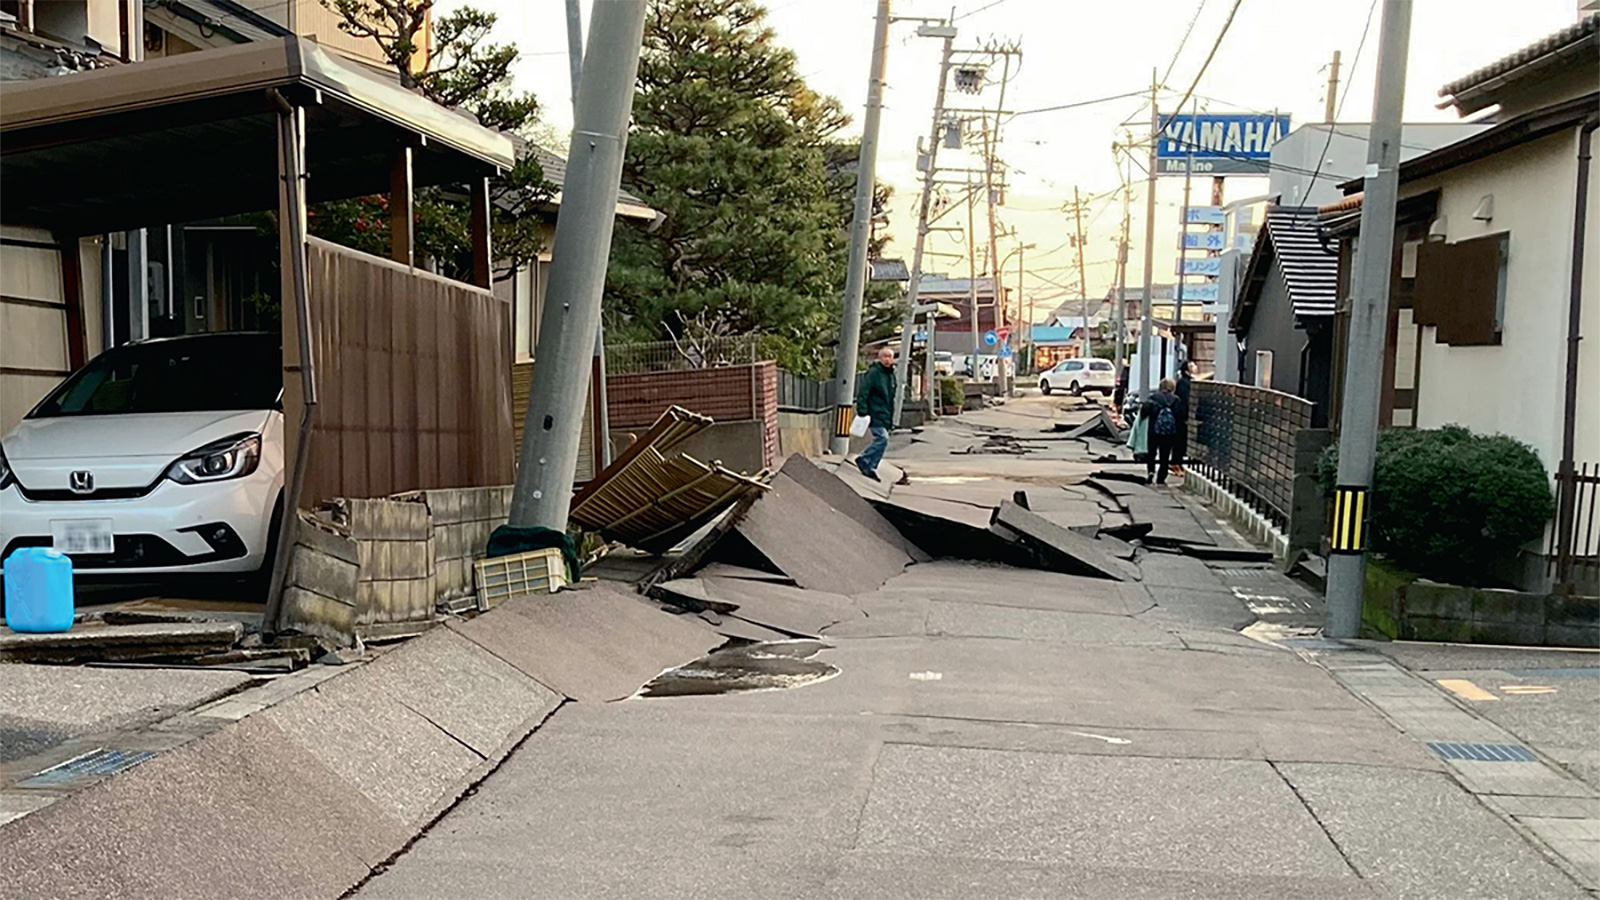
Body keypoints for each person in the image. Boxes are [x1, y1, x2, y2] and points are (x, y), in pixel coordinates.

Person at [854, 346, 897, 482]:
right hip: (874, 412)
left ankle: (871, 466)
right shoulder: (874, 373)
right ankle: (865, 459)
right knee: (882, 438)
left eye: (890, 356)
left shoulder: (891, 375)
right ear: (879, 358)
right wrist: (862, 410)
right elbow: (864, 392)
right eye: (885, 356)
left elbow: (891, 397)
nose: (887, 359)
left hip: (885, 413)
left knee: (883, 441)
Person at [1142, 377, 1182, 485]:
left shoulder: (1154, 397)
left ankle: (1151, 471)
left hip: (1153, 430)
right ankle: (1161, 477)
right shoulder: (1176, 400)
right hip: (1170, 433)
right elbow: (1180, 416)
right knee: (1165, 455)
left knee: (1152, 453)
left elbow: (1144, 411)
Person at [1171, 360, 1195, 476]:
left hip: (1184, 416)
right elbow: (1184, 400)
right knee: (1179, 441)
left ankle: (1178, 462)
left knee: (1183, 441)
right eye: (1192, 365)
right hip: (1181, 417)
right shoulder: (1183, 383)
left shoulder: (1188, 382)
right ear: (1186, 369)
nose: (1195, 367)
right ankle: (1175, 462)